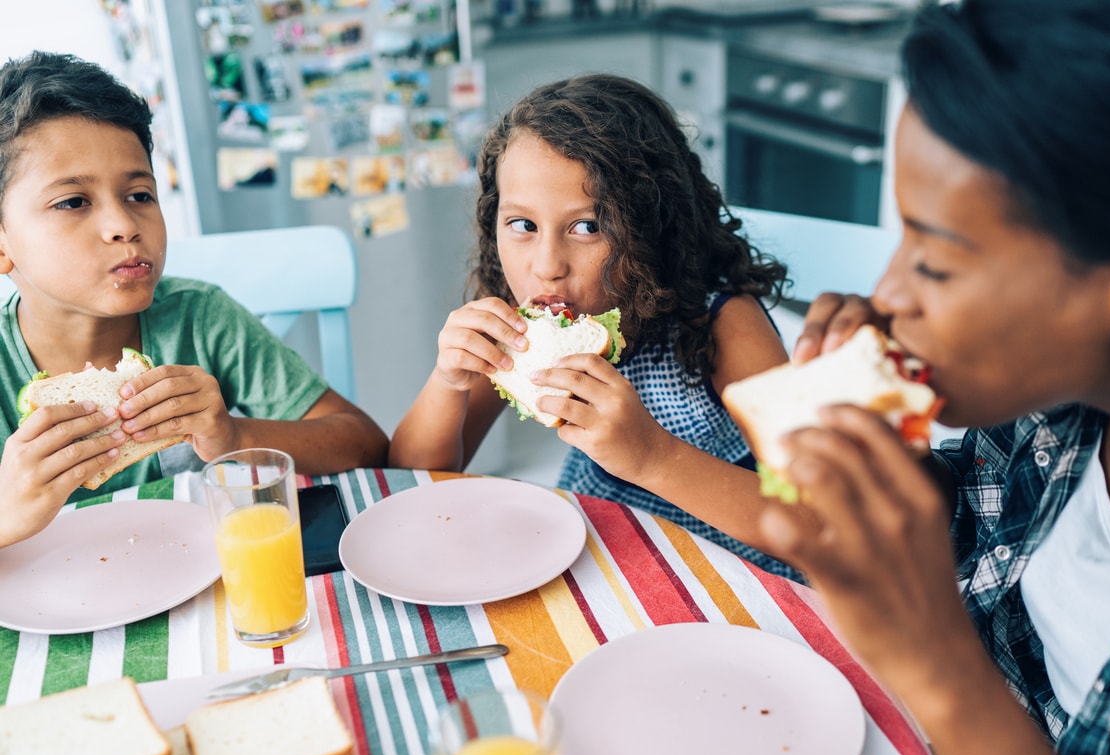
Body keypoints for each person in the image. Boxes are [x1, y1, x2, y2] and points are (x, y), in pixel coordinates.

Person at [759, 0, 1110, 755]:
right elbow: (976, 525)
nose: (889, 295)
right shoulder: (1066, 400)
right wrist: (884, 456)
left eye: (937, 262)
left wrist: (944, 670)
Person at [388, 73, 801, 580]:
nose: (546, 266)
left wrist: (653, 456)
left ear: (654, 226)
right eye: (523, 225)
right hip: (594, 568)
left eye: (587, 227)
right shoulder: (520, 331)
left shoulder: (725, 324)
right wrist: (447, 384)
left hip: (730, 587)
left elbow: (813, 518)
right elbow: (409, 479)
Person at [0, 52, 389, 549]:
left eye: (139, 194)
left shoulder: (200, 318)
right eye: (73, 202)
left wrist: (234, 438)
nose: (124, 225)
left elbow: (365, 443)